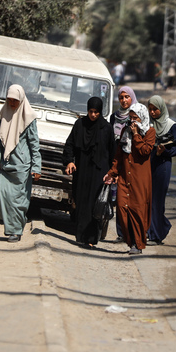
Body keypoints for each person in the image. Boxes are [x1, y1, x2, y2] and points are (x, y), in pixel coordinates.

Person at [0, 85, 41, 243]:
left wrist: (36, 167)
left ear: (21, 100)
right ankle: (15, 225)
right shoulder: (4, 113)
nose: (12, 103)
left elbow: (34, 145)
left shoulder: (29, 118)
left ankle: (15, 231)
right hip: (6, 164)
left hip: (22, 167)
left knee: (18, 201)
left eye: (15, 100)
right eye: (9, 99)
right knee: (2, 195)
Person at [63, 97, 115, 246]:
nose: (93, 115)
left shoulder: (107, 128)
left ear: (100, 112)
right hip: (82, 171)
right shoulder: (80, 125)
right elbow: (70, 144)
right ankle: (80, 237)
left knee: (95, 205)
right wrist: (70, 161)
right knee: (81, 202)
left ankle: (92, 239)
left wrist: (113, 172)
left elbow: (112, 152)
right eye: (91, 112)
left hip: (99, 173)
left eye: (96, 112)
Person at [104, 103, 156, 255]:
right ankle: (130, 240)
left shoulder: (150, 132)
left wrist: (136, 135)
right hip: (125, 177)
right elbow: (119, 155)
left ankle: (138, 244)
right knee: (121, 207)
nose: (133, 122)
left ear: (143, 118)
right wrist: (112, 172)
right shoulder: (125, 132)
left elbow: (145, 151)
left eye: (136, 118)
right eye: (131, 118)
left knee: (137, 210)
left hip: (140, 179)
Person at [147, 95, 176, 245]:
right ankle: (156, 229)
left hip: (163, 166)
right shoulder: (147, 124)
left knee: (158, 200)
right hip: (148, 164)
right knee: (148, 199)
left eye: (155, 109)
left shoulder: (171, 125)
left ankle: (155, 234)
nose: (153, 112)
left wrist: (163, 151)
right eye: (150, 109)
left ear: (162, 108)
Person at [109, 86, 138, 243]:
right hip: (117, 159)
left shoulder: (137, 116)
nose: (124, 100)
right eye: (121, 97)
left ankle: (132, 233)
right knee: (119, 199)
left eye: (127, 97)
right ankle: (121, 233)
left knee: (131, 199)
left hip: (131, 163)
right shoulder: (114, 117)